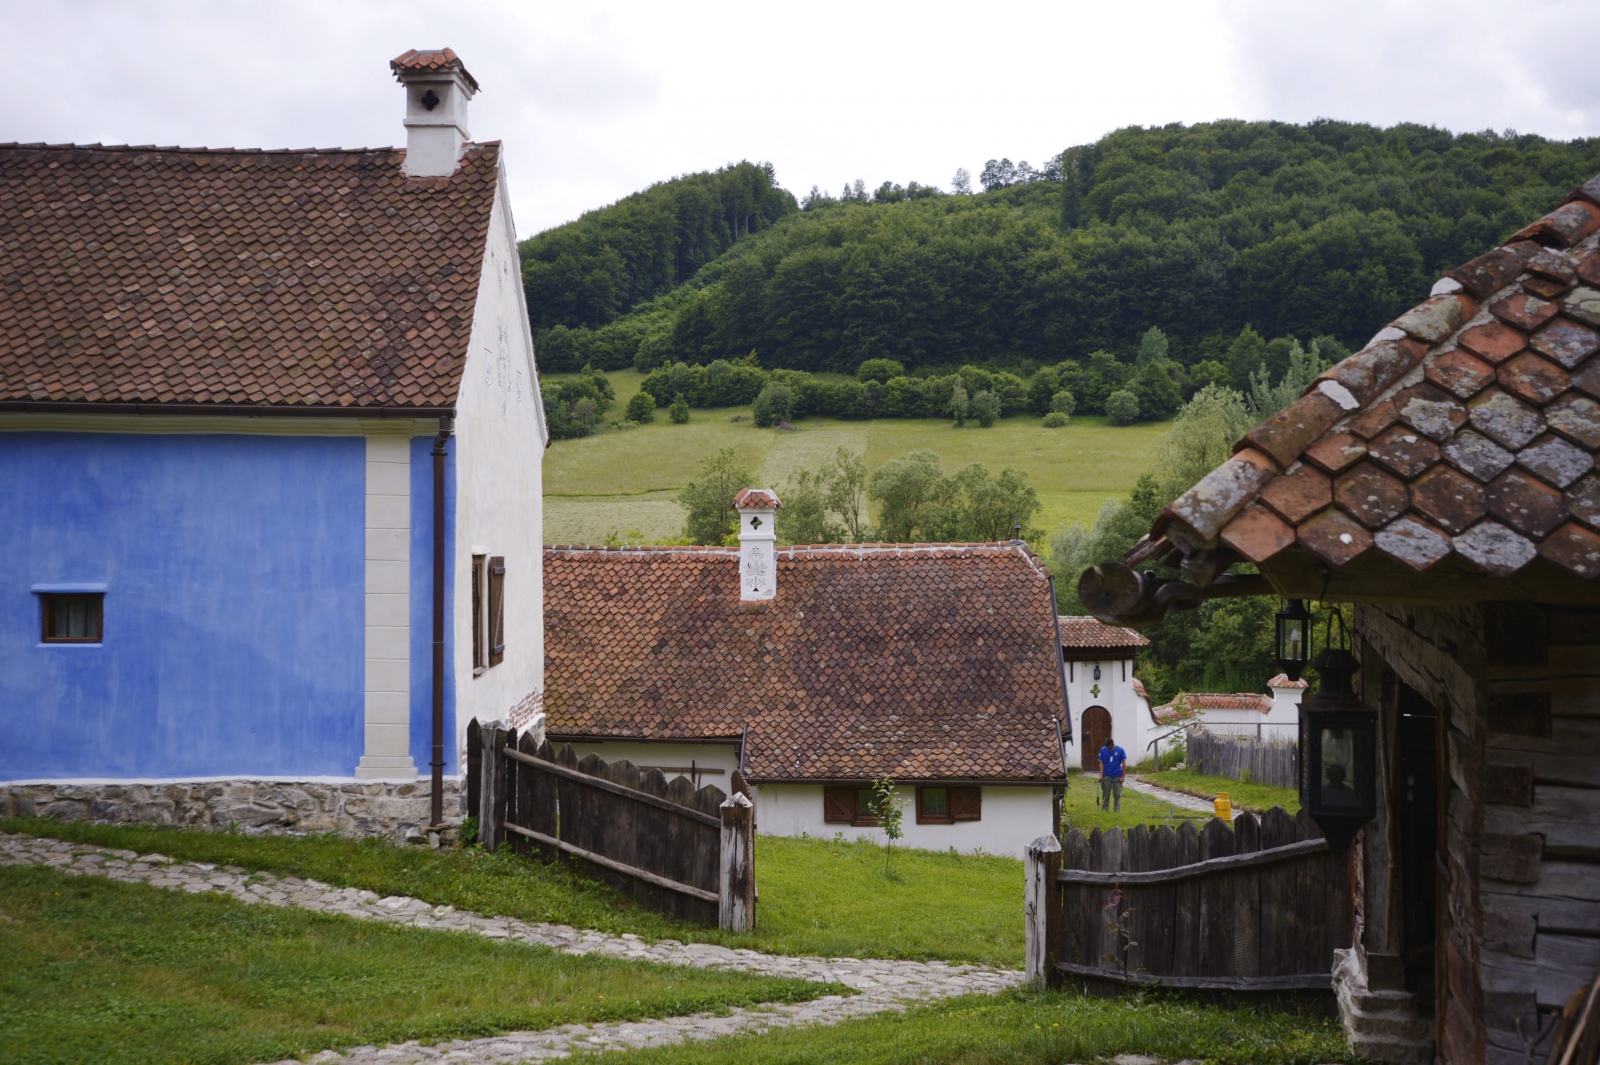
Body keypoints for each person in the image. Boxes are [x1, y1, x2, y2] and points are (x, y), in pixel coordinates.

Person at [1098, 735, 1127, 812]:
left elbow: (1124, 763)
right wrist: (1101, 776)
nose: (1108, 748)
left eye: (1109, 747)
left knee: (1117, 794)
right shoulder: (1103, 750)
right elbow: (1101, 763)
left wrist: (1123, 777)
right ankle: (1104, 810)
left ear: (1112, 745)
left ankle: (1116, 810)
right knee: (1106, 794)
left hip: (1117, 776)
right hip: (1106, 776)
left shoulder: (1120, 750)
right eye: (1107, 747)